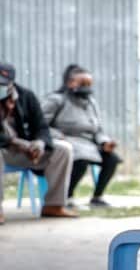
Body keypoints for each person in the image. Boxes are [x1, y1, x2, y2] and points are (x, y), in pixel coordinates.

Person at [0, 63, 77, 222]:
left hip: (26, 151)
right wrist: (15, 142)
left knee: (63, 149)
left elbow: (42, 127)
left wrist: (39, 144)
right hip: (4, 150)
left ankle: (53, 205)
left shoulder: (26, 96)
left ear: (11, 83)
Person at [44, 64, 121, 207]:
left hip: (89, 144)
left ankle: (97, 197)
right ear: (70, 83)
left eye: (89, 84)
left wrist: (104, 142)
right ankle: (67, 196)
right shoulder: (56, 100)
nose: (87, 87)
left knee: (112, 159)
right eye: (82, 83)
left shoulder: (91, 103)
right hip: (66, 142)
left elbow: (98, 129)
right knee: (82, 159)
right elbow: (41, 125)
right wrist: (58, 135)